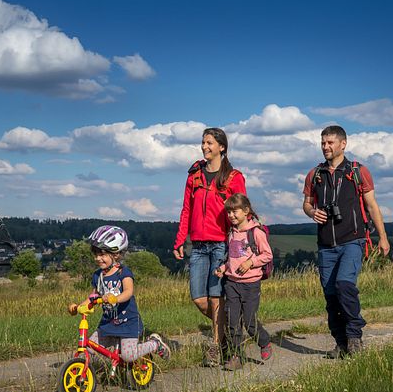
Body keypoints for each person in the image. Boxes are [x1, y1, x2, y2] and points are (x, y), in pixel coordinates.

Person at [302, 125, 390, 358]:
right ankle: (340, 343)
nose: (325, 147)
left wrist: (383, 237)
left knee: (344, 285)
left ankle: (354, 337)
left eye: (330, 142)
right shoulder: (315, 174)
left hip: (353, 239)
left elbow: (372, 205)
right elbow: (307, 204)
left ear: (343, 144)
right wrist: (313, 213)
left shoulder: (357, 171)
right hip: (325, 245)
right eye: (323, 143)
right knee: (330, 295)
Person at [173, 127, 247, 367]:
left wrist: (241, 243)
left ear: (221, 147)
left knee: (216, 298)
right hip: (198, 245)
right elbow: (186, 210)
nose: (205, 147)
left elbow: (243, 212)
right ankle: (230, 326)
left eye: (209, 143)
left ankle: (216, 346)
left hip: (221, 244)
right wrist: (180, 239)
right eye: (203, 143)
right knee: (199, 298)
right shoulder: (194, 175)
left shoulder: (234, 177)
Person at [69, 225, 170, 363]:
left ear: (116, 254)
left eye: (102, 254)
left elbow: (129, 291)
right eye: (96, 254)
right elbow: (93, 297)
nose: (98, 258)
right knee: (89, 347)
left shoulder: (123, 272)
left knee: (128, 356)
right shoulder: (98, 276)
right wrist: (79, 306)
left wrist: (115, 298)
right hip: (108, 323)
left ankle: (154, 344)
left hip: (127, 323)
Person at [215, 193, 273, 371]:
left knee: (249, 322)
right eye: (229, 212)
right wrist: (224, 268)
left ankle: (264, 342)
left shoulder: (255, 232)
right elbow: (232, 258)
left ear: (246, 211)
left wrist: (250, 263)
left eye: (235, 211)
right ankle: (236, 357)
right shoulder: (231, 233)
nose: (231, 215)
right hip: (231, 283)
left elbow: (267, 255)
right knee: (232, 322)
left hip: (250, 285)